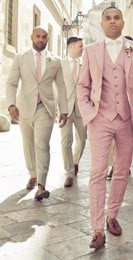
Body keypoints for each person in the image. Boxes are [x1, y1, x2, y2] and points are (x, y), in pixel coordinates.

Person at [77, 7, 133, 250]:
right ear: (102, 23)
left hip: (126, 118)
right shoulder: (91, 51)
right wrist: (89, 112)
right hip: (99, 118)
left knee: (122, 170)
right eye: (108, 18)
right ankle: (97, 228)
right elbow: (82, 86)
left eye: (116, 18)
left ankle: (113, 215)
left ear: (123, 22)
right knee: (98, 172)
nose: (113, 21)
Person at [6, 26, 68, 200]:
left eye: (44, 37)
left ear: (47, 39)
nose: (41, 39)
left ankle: (41, 185)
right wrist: (11, 104)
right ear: (32, 37)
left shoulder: (55, 61)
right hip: (24, 108)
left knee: (42, 144)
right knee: (28, 144)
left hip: (45, 108)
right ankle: (32, 174)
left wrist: (63, 110)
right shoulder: (21, 58)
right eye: (38, 36)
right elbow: (11, 83)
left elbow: (62, 87)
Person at [61, 37, 87, 187]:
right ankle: (69, 172)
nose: (82, 49)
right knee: (66, 141)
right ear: (70, 47)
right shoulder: (60, 64)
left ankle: (75, 161)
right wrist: (58, 108)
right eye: (80, 46)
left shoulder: (84, 65)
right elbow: (55, 86)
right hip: (65, 108)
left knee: (82, 139)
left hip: (81, 109)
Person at [107, 35, 133, 181]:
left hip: (129, 106)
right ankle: (114, 166)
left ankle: (125, 165)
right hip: (111, 105)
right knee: (112, 138)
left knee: (127, 139)